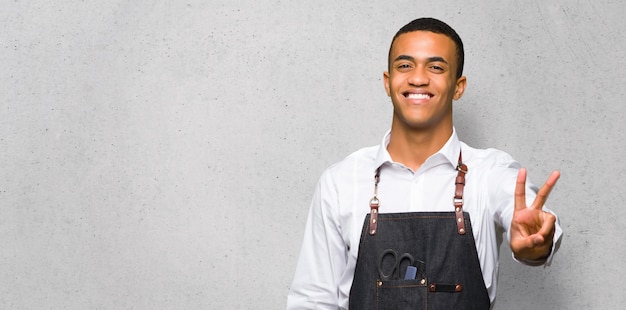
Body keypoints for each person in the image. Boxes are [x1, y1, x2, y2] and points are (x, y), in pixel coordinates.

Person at [287, 17, 562, 309]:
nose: (418, 78)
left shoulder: (489, 173)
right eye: (405, 65)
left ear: (459, 86)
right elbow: (313, 300)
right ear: (387, 81)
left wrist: (536, 243)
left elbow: (530, 221)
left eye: (436, 67)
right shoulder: (340, 181)